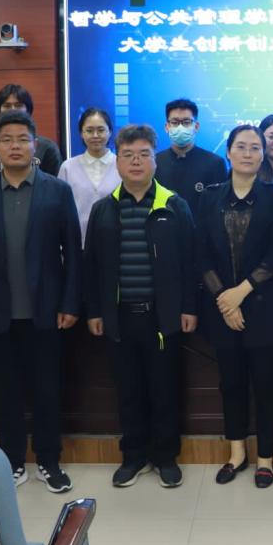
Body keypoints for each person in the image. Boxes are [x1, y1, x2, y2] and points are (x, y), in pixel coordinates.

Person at [0, 110, 81, 494]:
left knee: (47, 390)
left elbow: (73, 253)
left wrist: (70, 303)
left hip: (46, 312)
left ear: (35, 145)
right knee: (6, 393)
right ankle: (12, 462)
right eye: (7, 140)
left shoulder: (57, 191)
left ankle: (49, 461)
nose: (15, 146)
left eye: (22, 139)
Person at [83, 124, 198, 489]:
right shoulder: (103, 210)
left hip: (162, 317)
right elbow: (91, 266)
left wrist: (188, 307)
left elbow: (190, 262)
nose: (136, 161)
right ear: (117, 161)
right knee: (128, 391)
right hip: (119, 318)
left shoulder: (174, 206)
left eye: (144, 154)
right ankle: (133, 456)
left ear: (154, 161)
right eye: (128, 155)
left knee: (164, 390)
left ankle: (166, 457)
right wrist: (95, 311)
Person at [196, 125, 273, 489]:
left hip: (264, 308)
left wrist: (241, 292)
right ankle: (236, 452)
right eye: (241, 146)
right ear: (229, 152)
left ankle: (265, 458)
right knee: (231, 384)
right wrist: (225, 300)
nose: (249, 153)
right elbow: (201, 255)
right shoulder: (210, 197)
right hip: (222, 308)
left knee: (266, 384)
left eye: (255, 147)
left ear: (262, 154)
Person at [0, 84, 62, 186]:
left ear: (28, 110)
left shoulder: (48, 148)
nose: (13, 110)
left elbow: (55, 186)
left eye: (18, 105)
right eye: (7, 106)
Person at [153, 98, 227, 215]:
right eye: (175, 122)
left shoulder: (215, 163)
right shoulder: (154, 162)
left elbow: (221, 208)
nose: (180, 127)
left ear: (196, 126)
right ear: (167, 127)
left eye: (186, 122)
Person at [58, 107, 120, 244]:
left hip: (115, 242)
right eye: (89, 130)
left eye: (101, 130)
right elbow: (60, 209)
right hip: (77, 243)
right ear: (81, 133)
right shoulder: (67, 167)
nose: (95, 135)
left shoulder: (121, 165)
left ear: (110, 132)